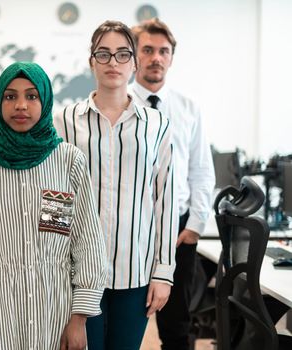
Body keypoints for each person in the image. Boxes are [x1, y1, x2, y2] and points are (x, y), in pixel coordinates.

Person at [0, 62, 107, 350]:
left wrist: (79, 320)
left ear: (44, 101)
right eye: (10, 96)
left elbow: (87, 242)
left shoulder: (68, 161)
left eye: (31, 96)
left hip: (55, 311)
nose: (21, 105)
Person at [54, 20, 177, 349]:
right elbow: (54, 197)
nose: (113, 62)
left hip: (134, 271)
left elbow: (165, 200)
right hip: (76, 272)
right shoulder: (64, 120)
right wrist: (52, 268)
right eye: (103, 54)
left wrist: (163, 273)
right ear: (91, 61)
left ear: (134, 62)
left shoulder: (158, 125)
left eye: (123, 54)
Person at [130, 18, 215, 350]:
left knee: (177, 325)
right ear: (135, 55)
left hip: (178, 230)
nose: (156, 58)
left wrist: (194, 226)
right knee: (125, 318)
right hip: (131, 226)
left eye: (163, 51)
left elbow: (202, 171)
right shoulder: (119, 105)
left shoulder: (188, 108)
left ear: (171, 58)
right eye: (148, 50)